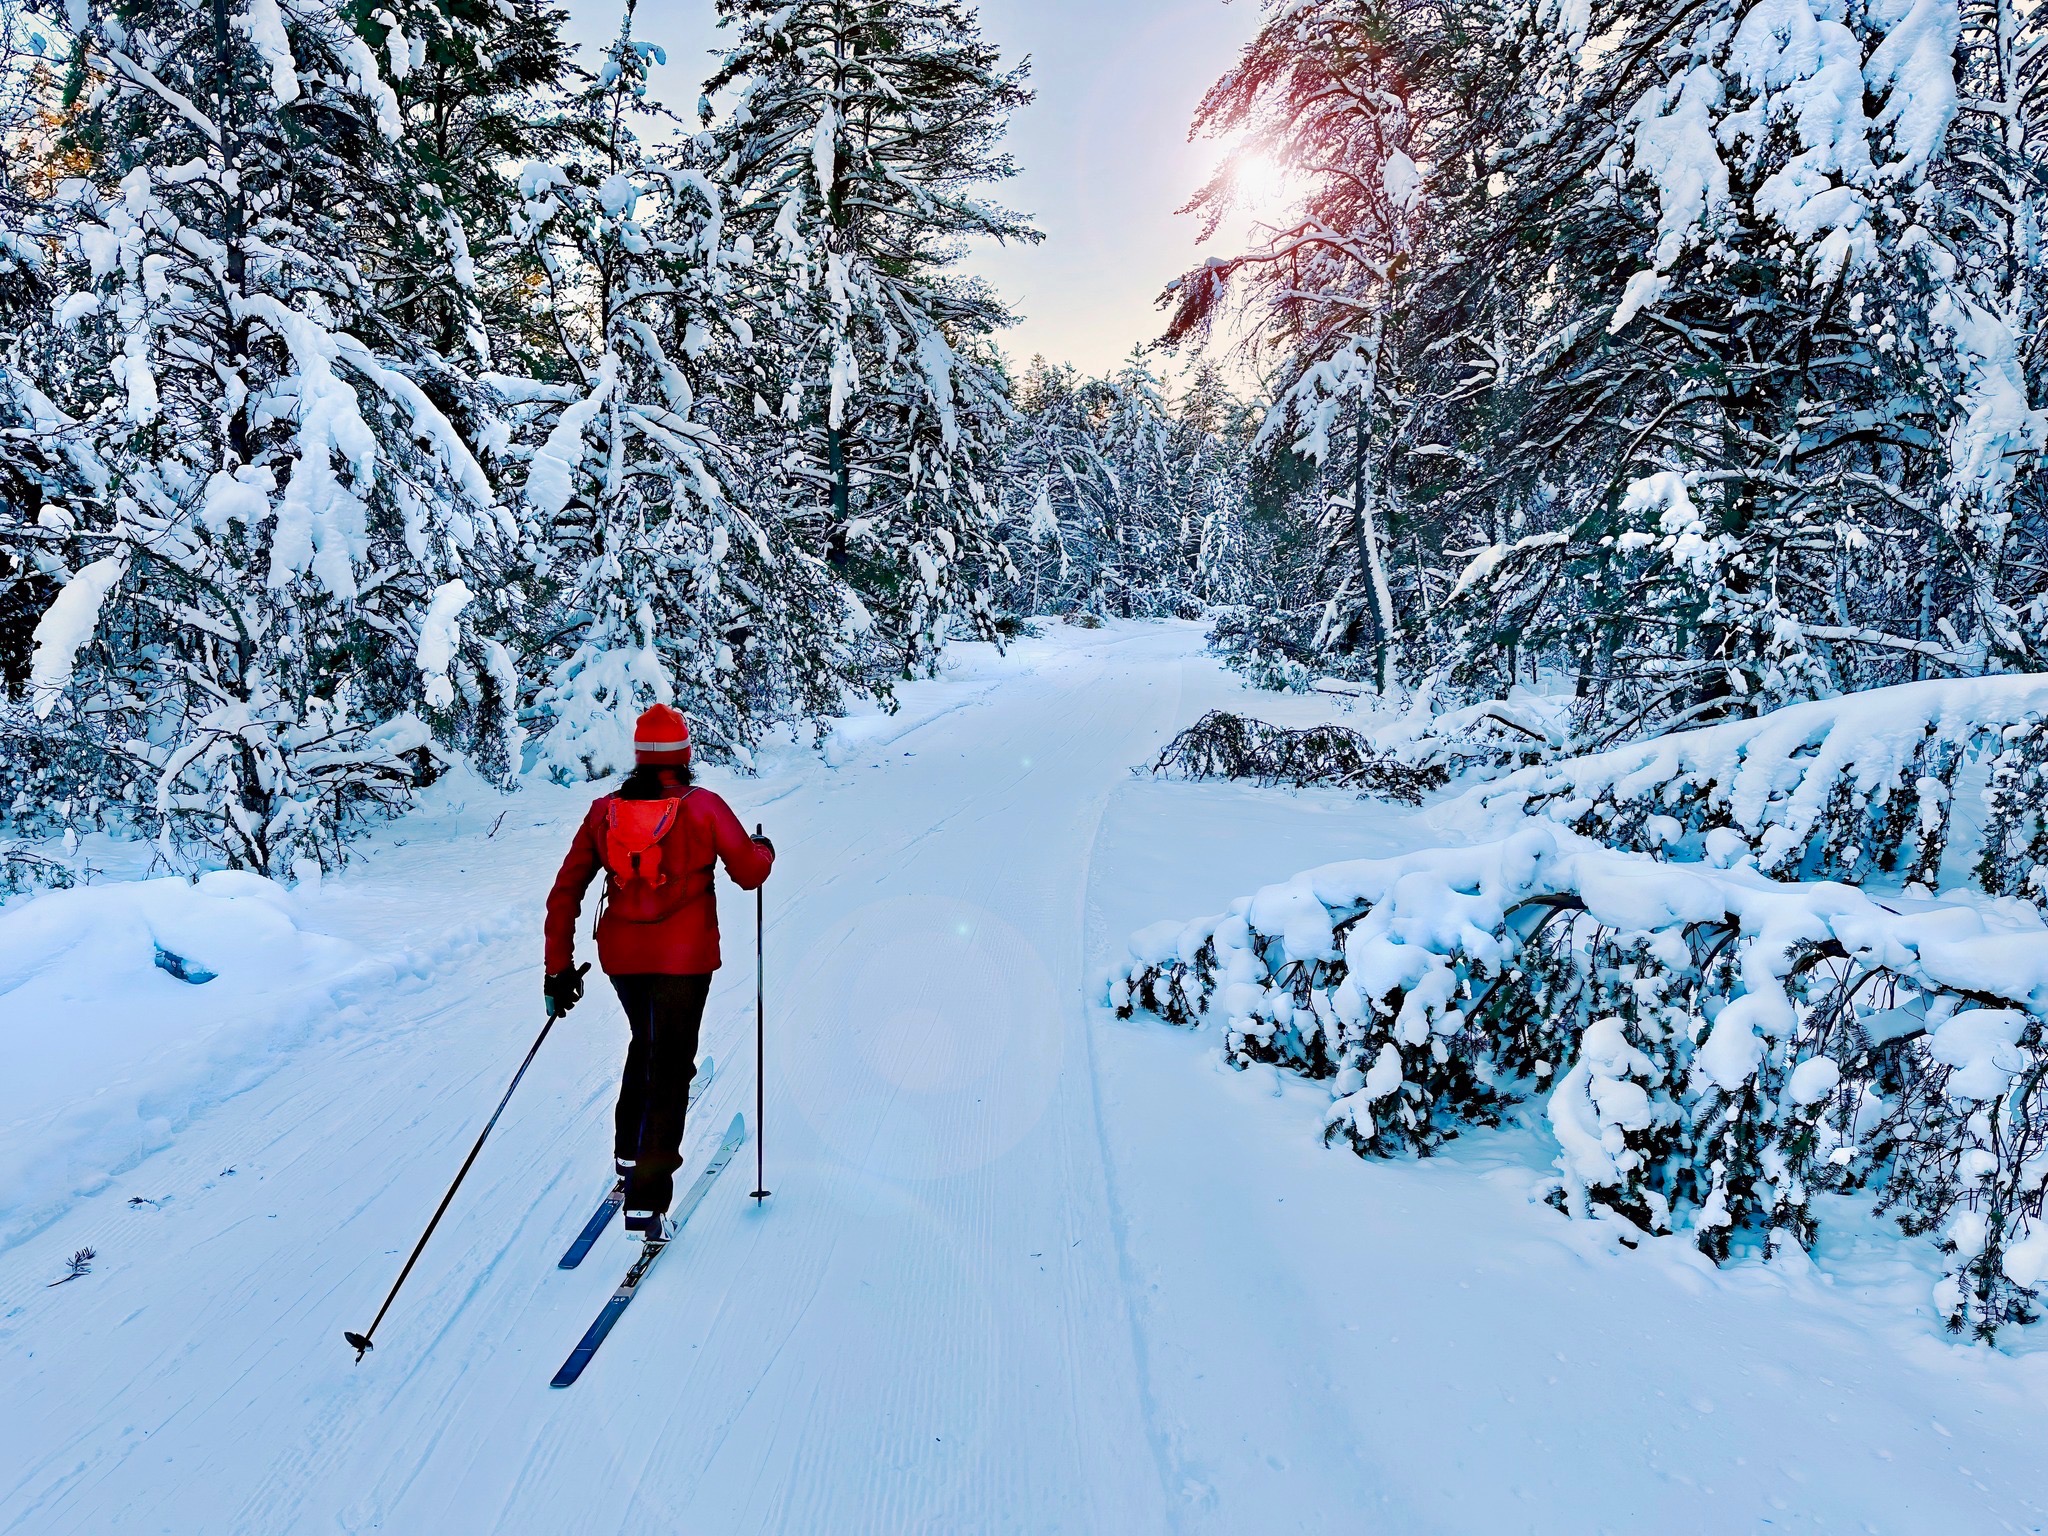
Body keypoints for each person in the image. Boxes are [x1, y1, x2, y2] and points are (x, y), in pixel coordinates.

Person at [544, 704, 774, 1240]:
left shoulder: (605, 813)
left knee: (645, 1044)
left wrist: (557, 968)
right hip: (685, 959)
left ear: (640, 758)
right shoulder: (704, 807)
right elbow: (747, 872)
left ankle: (627, 1157)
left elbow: (565, 893)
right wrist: (763, 850)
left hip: (624, 958)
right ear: (685, 754)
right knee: (670, 1063)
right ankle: (647, 1200)